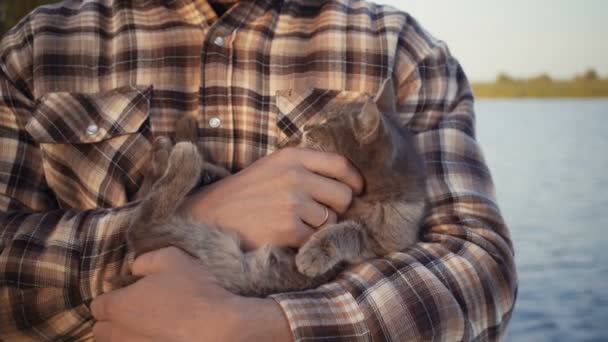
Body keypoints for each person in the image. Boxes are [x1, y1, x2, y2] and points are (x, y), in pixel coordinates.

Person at [0, 0, 517, 340]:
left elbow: (479, 267)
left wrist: (268, 327)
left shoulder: (398, 48)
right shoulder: (36, 48)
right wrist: (202, 215)